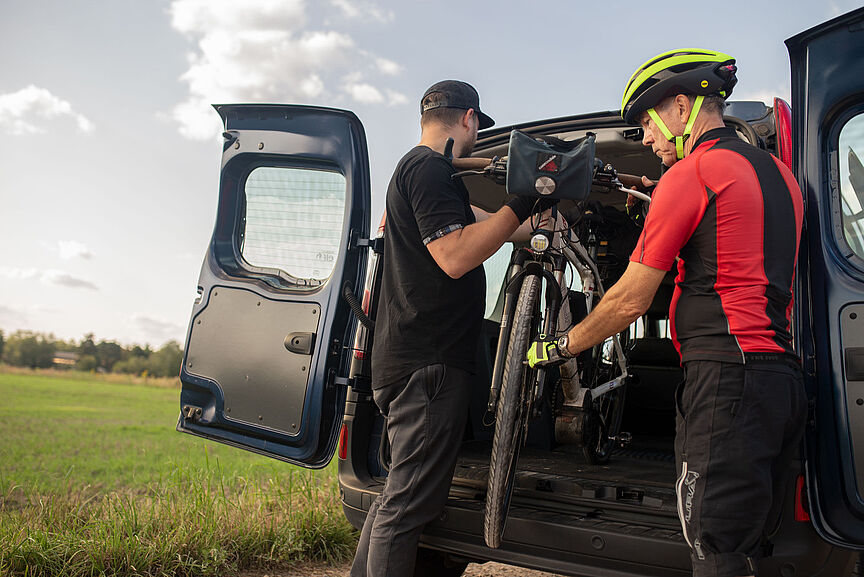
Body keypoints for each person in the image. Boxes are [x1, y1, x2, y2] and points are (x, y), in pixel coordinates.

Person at [527, 49, 806, 577]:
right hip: (779, 381)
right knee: (750, 549)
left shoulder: (693, 172)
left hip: (724, 380)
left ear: (681, 107)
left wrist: (561, 346)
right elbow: (735, 245)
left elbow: (630, 298)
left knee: (714, 548)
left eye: (647, 124)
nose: (647, 139)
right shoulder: (780, 177)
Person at [351, 80, 555, 577]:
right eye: (476, 128)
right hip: (428, 365)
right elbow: (456, 256)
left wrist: (539, 219)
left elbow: (489, 224)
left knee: (397, 495)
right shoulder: (426, 170)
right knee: (406, 508)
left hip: (412, 360)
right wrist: (522, 202)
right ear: (468, 119)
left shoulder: (428, 175)